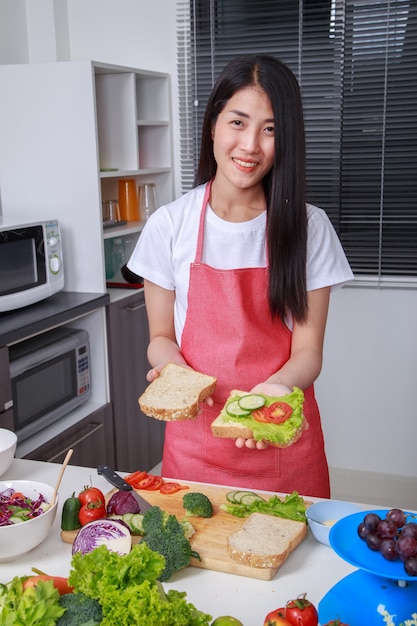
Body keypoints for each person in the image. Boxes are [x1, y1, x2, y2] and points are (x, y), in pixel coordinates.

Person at [127, 54, 353, 498]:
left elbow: (308, 353)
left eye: (270, 129)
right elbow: (160, 337)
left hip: (281, 441)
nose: (250, 145)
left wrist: (275, 390)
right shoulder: (170, 226)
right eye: (238, 122)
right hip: (195, 448)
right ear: (213, 124)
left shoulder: (309, 228)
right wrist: (173, 372)